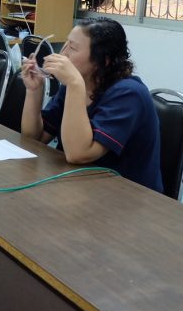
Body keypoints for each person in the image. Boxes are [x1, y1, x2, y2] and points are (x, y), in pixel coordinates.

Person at [20, 17, 162, 192]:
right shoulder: (76, 85)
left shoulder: (128, 94)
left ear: (103, 60)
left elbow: (78, 154)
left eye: (73, 48)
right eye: (66, 44)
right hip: (78, 186)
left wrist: (74, 84)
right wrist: (34, 91)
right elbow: (35, 139)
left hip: (126, 196)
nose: (63, 54)